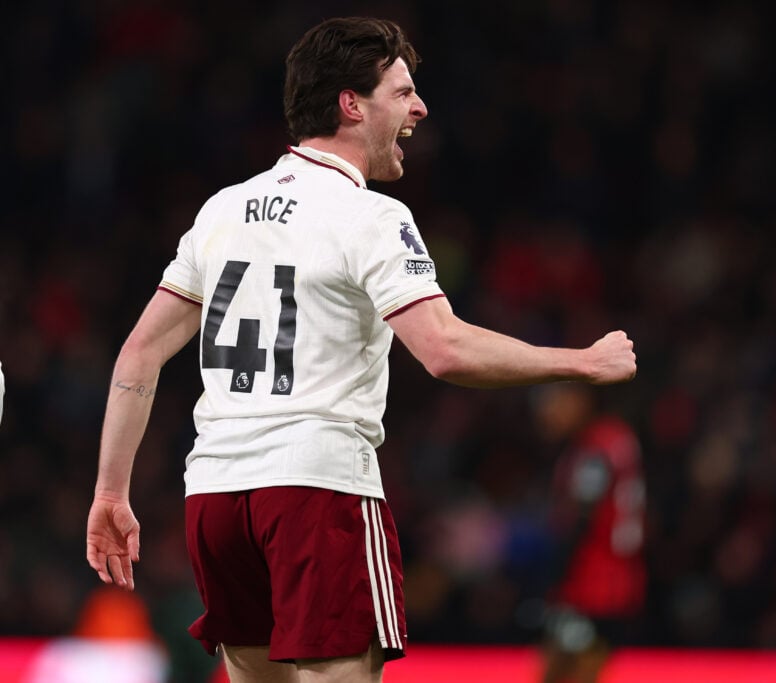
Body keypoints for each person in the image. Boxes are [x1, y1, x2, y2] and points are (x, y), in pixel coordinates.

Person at [85, 16, 636, 683]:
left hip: (216, 494)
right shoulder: (370, 217)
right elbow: (445, 349)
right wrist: (579, 360)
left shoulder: (223, 209)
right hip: (317, 490)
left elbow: (139, 354)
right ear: (352, 103)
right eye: (403, 92)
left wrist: (111, 489)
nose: (420, 107)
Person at [531, 383, 645, 683]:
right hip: (617, 579)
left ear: (582, 400)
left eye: (556, 401)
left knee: (563, 672)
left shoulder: (594, 447)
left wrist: (552, 579)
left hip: (591, 584)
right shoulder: (617, 436)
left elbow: (580, 518)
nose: (547, 412)